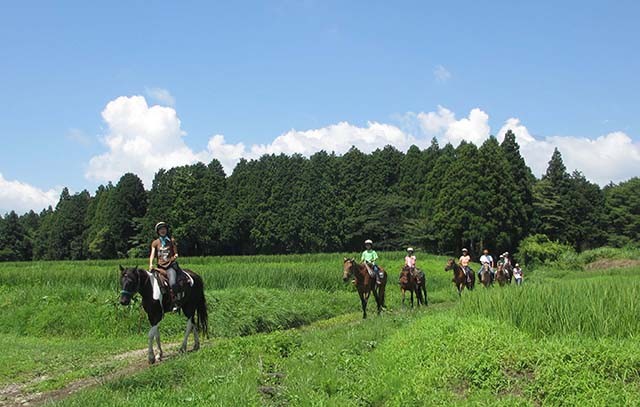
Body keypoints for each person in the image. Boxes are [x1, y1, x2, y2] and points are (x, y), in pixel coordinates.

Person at [149, 222, 180, 311]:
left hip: (169, 266)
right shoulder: (155, 243)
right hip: (160, 267)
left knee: (173, 283)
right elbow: (152, 254)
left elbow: (176, 253)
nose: (162, 231)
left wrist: (175, 256)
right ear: (158, 231)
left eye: (164, 229)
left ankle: (176, 302)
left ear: (166, 230)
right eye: (160, 229)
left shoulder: (171, 240)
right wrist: (151, 264)